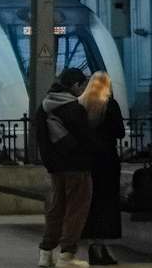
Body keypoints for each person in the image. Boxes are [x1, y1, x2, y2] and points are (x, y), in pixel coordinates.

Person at [36, 68, 96, 268]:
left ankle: (45, 254)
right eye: (83, 85)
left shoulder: (43, 108)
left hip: (56, 169)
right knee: (75, 211)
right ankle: (66, 256)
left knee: (56, 210)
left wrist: (51, 163)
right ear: (76, 85)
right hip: (77, 168)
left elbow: (42, 141)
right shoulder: (74, 109)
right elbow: (88, 139)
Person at [78, 72, 125, 265]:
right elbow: (120, 133)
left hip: (88, 161)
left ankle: (92, 245)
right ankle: (104, 245)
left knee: (91, 201)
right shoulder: (110, 106)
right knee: (107, 202)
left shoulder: (81, 106)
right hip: (108, 161)